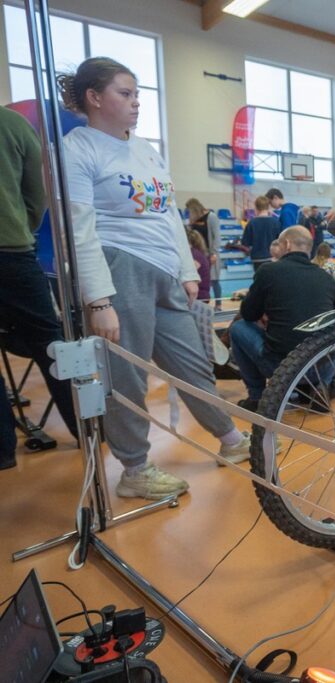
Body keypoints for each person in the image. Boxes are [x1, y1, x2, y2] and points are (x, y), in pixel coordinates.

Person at [59, 57, 251, 498]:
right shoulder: (79, 148)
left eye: (137, 94)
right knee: (127, 374)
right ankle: (135, 470)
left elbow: (169, 216)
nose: (136, 103)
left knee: (193, 364)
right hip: (120, 266)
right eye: (125, 94)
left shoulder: (145, 149)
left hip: (165, 271)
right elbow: (78, 227)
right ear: (94, 98)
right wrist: (99, 300)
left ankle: (231, 441)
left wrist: (185, 269)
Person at [0, 106, 80, 470]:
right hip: (12, 250)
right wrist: (20, 227)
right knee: (52, 345)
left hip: (14, 248)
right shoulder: (13, 124)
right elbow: (38, 191)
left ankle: (2, 452)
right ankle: (86, 430)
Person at [230, 226, 335, 411]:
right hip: (322, 366)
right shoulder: (326, 278)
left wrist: (267, 315)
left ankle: (256, 396)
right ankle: (322, 386)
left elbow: (248, 313)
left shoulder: (269, 271)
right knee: (333, 331)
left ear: (287, 244)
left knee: (238, 328)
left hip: (284, 367)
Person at [185, 198, 221, 305]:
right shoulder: (192, 220)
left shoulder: (211, 217)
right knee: (201, 280)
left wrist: (214, 253)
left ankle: (218, 304)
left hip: (210, 253)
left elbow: (216, 236)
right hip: (199, 254)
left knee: (214, 281)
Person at [240, 196, 282, 270]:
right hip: (272, 258)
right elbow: (280, 241)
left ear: (256, 208)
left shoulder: (251, 223)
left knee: (259, 280)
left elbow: (245, 243)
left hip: (257, 258)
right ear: (268, 207)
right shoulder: (276, 222)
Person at [186, 229, 211, 301]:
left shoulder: (194, 256)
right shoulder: (197, 254)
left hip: (198, 297)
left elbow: (189, 275)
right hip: (199, 296)